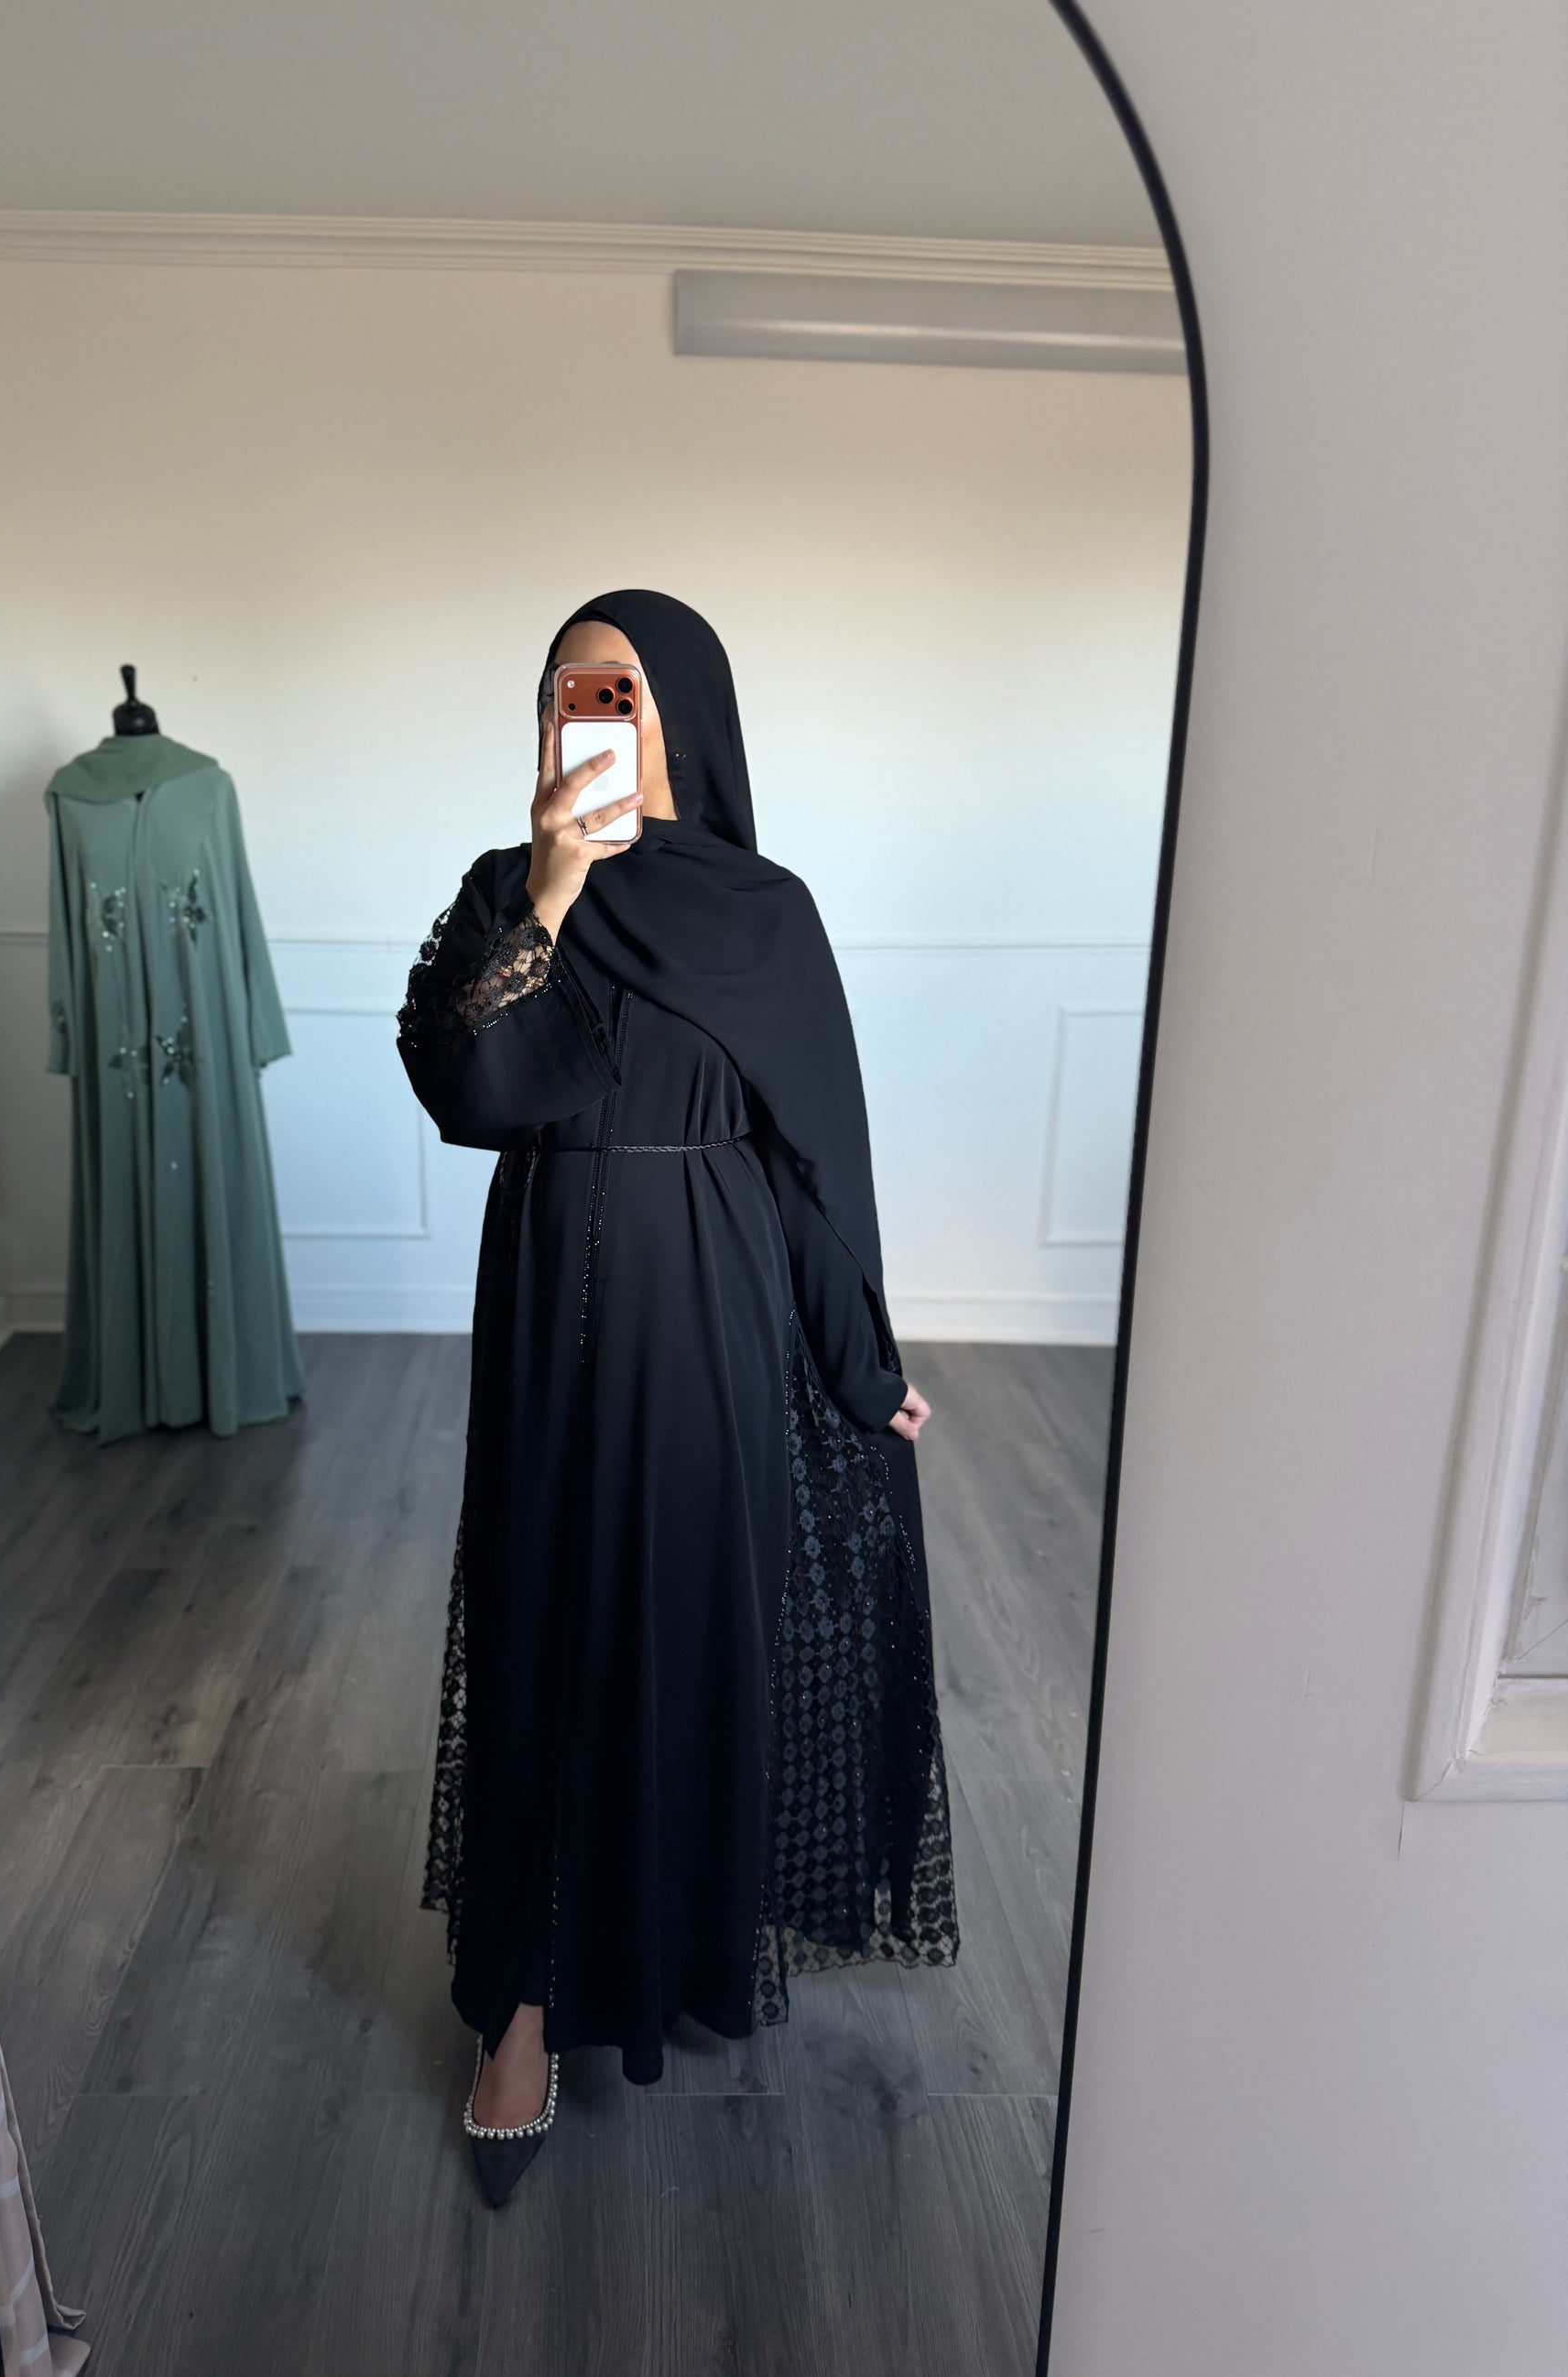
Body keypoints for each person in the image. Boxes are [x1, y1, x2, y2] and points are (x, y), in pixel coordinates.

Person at [397, 590, 958, 2208]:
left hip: (709, 1304)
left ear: (684, 719)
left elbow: (815, 1161)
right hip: (546, 1307)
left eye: (620, 692)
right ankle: (516, 2007)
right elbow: (466, 1088)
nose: (586, 716)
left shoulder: (764, 914)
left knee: (693, 1618)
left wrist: (861, 1364)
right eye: (564, 692)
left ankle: (676, 1942)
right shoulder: (503, 891)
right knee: (539, 1631)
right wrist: (552, 892)